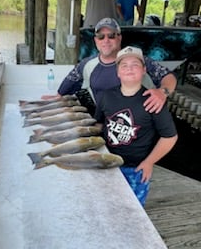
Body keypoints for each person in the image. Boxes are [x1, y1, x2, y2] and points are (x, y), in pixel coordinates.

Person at [94, 46, 178, 206]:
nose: (129, 68)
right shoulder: (105, 96)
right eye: (124, 65)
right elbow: (99, 124)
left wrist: (149, 162)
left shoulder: (154, 100)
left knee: (133, 209)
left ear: (144, 70)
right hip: (106, 163)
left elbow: (170, 137)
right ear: (117, 72)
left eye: (135, 65)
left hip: (136, 169)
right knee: (104, 205)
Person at [42, 17, 177, 115]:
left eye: (111, 35)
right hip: (106, 122)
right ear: (95, 40)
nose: (106, 40)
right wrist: (58, 96)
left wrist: (162, 92)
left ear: (119, 38)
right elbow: (69, 83)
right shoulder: (86, 65)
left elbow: (169, 76)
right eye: (101, 36)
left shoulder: (137, 60)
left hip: (140, 125)